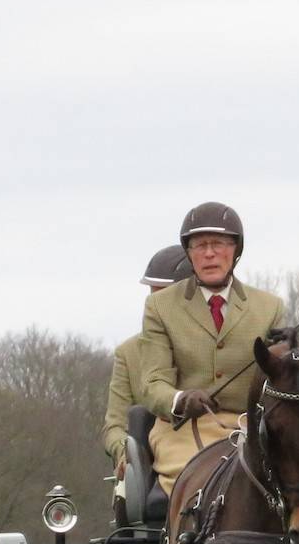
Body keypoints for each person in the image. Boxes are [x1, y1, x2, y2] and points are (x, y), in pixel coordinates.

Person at [140, 201, 284, 494]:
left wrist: (291, 349)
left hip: (252, 428)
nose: (209, 253)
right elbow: (152, 383)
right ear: (189, 253)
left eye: (218, 243)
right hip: (182, 430)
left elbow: (279, 380)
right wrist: (180, 400)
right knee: (204, 485)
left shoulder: (269, 307)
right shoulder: (160, 306)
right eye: (199, 245)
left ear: (236, 249)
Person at [99, 245, 194, 480]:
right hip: (151, 470)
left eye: (163, 297)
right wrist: (127, 453)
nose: (154, 306)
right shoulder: (128, 354)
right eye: (152, 296)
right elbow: (114, 426)